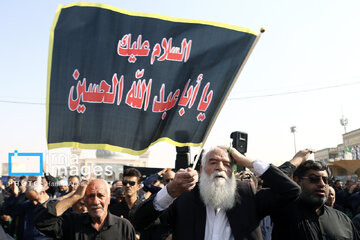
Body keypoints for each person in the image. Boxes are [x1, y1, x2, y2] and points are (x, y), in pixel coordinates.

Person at [133, 145, 300, 240]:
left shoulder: (247, 194)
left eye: (227, 164)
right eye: (213, 162)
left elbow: (291, 191)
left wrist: (249, 162)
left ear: (233, 172)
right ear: (201, 169)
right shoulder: (184, 198)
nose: (220, 167)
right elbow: (139, 221)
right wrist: (170, 191)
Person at [271, 160, 360, 239]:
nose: (322, 184)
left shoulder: (343, 219)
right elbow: (272, 182)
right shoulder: (285, 215)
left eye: (325, 180)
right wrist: (297, 159)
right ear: (297, 181)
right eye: (314, 179)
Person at [35, 179, 136, 240]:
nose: (96, 201)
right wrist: (74, 196)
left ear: (109, 199)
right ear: (84, 200)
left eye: (101, 196)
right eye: (91, 196)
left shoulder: (124, 227)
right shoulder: (71, 223)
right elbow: (42, 222)